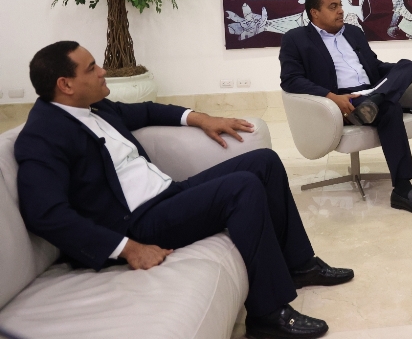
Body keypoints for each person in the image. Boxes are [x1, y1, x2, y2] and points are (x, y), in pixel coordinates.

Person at [16, 41, 352, 339]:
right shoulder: (42, 135)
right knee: (242, 187)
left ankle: (300, 265)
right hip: (137, 223)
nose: (103, 71)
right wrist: (127, 248)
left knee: (263, 161)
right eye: (92, 68)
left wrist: (201, 118)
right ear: (65, 84)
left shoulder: (96, 107)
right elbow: (44, 213)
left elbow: (147, 110)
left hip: (167, 194)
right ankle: (267, 314)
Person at [279, 0, 412, 214]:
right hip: (344, 100)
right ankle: (403, 190)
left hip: (371, 92)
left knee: (406, 64)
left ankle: (375, 101)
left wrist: (410, 70)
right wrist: (332, 97)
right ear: (314, 13)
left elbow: (374, 67)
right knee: (391, 108)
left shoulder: (353, 32)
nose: (340, 11)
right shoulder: (296, 39)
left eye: (340, 5)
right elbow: (290, 80)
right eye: (333, 7)